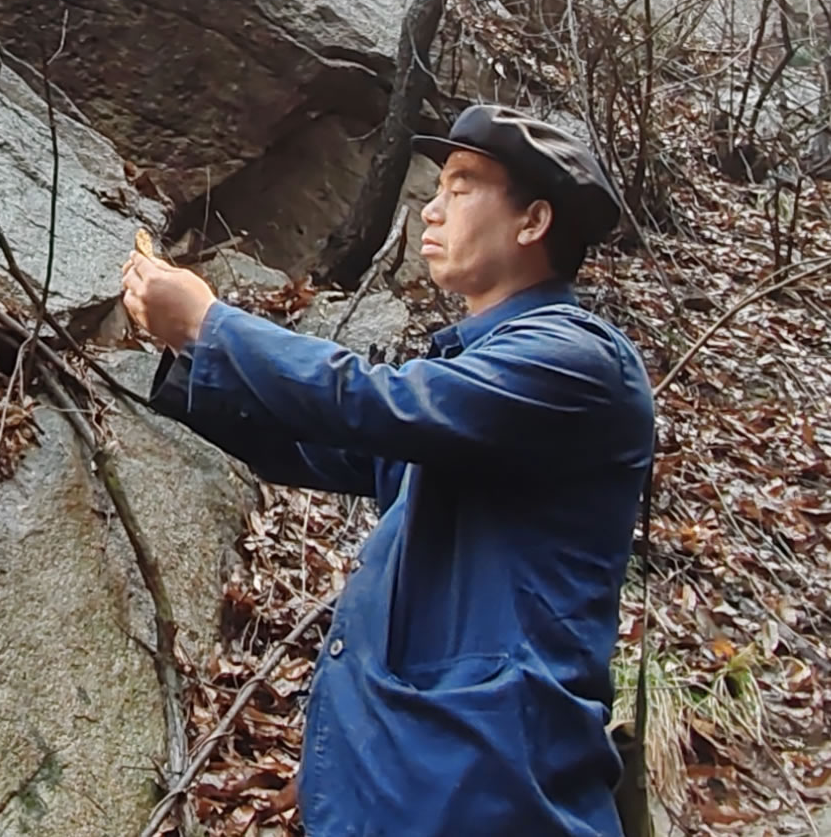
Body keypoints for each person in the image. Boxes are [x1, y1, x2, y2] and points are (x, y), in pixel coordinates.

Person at [123, 104, 655, 837]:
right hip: (412, 781)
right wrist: (186, 362)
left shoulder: (576, 362)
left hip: (491, 792)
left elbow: (374, 404)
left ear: (533, 222)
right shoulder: (477, 378)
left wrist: (211, 326)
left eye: (461, 188)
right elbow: (327, 443)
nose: (431, 209)